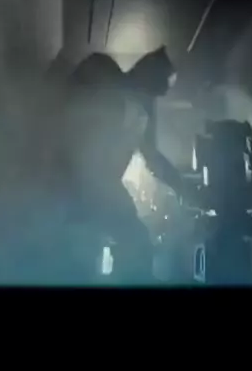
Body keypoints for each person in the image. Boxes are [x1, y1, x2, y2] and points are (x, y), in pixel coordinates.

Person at [56, 45, 190, 284]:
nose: (158, 95)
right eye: (159, 85)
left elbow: (152, 156)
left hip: (96, 187)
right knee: (105, 245)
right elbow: (68, 114)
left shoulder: (142, 110)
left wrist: (181, 185)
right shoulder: (104, 72)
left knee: (124, 243)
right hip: (75, 183)